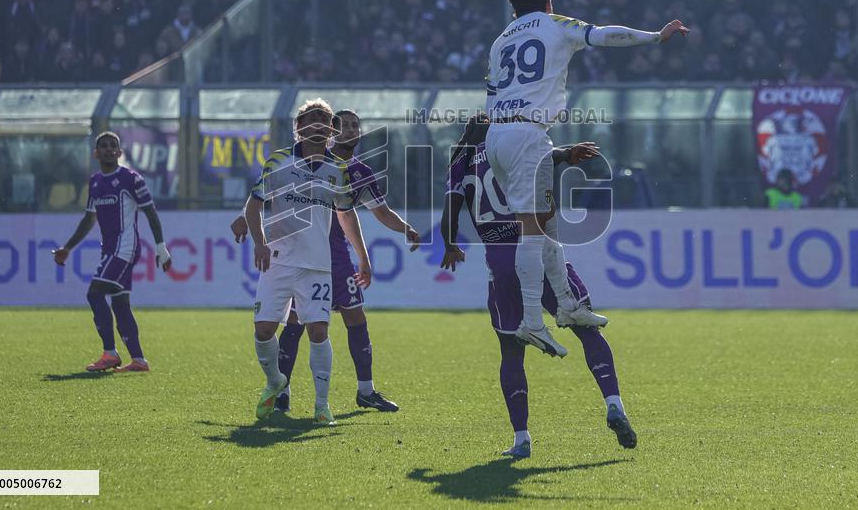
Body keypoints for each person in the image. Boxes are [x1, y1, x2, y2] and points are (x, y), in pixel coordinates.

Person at [484, 0, 688, 355]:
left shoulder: (500, 41)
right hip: (526, 133)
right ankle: (531, 321)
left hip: (499, 134)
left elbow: (492, 93)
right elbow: (604, 34)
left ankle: (567, 305)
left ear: (514, 8)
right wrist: (654, 36)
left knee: (546, 221)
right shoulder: (556, 25)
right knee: (531, 225)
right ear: (548, 2)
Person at [439, 114, 636, 457]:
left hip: (500, 263)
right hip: (537, 250)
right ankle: (614, 403)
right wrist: (567, 152)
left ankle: (521, 439)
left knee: (511, 352)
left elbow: (450, 209)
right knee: (587, 330)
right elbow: (542, 156)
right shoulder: (514, 149)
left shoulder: (460, 163)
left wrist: (449, 244)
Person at [231, 109, 419, 413]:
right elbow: (273, 193)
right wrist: (244, 217)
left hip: (334, 255)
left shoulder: (356, 171)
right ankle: (283, 391)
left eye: (355, 125)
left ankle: (364, 391)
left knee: (352, 317)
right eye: (343, 125)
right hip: (302, 254)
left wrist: (376, 248)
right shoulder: (311, 158)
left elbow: (367, 213)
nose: (349, 130)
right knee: (297, 322)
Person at [243, 98, 371, 426]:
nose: (316, 123)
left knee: (318, 330)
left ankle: (321, 405)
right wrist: (259, 243)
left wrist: (363, 256)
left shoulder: (337, 171)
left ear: (331, 130)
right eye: (309, 118)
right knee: (263, 330)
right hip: (278, 261)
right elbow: (253, 206)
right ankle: (275, 382)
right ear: (297, 128)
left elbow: (345, 213)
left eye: (323, 119)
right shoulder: (278, 162)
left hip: (317, 265)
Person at [52, 131, 172, 373]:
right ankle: (138, 360)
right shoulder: (95, 182)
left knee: (94, 293)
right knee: (120, 304)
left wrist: (161, 247)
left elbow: (150, 212)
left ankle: (110, 354)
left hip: (125, 248)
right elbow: (89, 218)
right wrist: (68, 248)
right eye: (103, 146)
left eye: (113, 146)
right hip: (110, 250)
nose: (108, 149)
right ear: (96, 153)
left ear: (119, 152)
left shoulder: (131, 178)